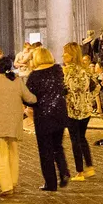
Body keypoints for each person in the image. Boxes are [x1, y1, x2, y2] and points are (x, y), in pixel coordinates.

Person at [0, 54, 35, 197]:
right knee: (13, 153)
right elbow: (29, 98)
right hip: (14, 123)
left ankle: (6, 186)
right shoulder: (17, 81)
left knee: (1, 155)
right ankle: (13, 181)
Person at [26, 46, 72, 191]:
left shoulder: (34, 76)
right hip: (59, 113)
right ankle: (64, 172)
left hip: (43, 116)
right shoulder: (58, 70)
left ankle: (50, 183)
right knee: (57, 146)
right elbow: (63, 88)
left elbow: (29, 98)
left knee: (45, 150)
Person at [61, 42, 98, 181]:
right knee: (81, 138)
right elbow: (96, 87)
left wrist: (65, 93)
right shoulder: (86, 69)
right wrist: (88, 98)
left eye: (65, 53)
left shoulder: (68, 71)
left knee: (75, 140)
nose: (63, 55)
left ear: (72, 55)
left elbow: (66, 89)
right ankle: (89, 167)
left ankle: (80, 172)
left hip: (73, 110)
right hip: (85, 109)